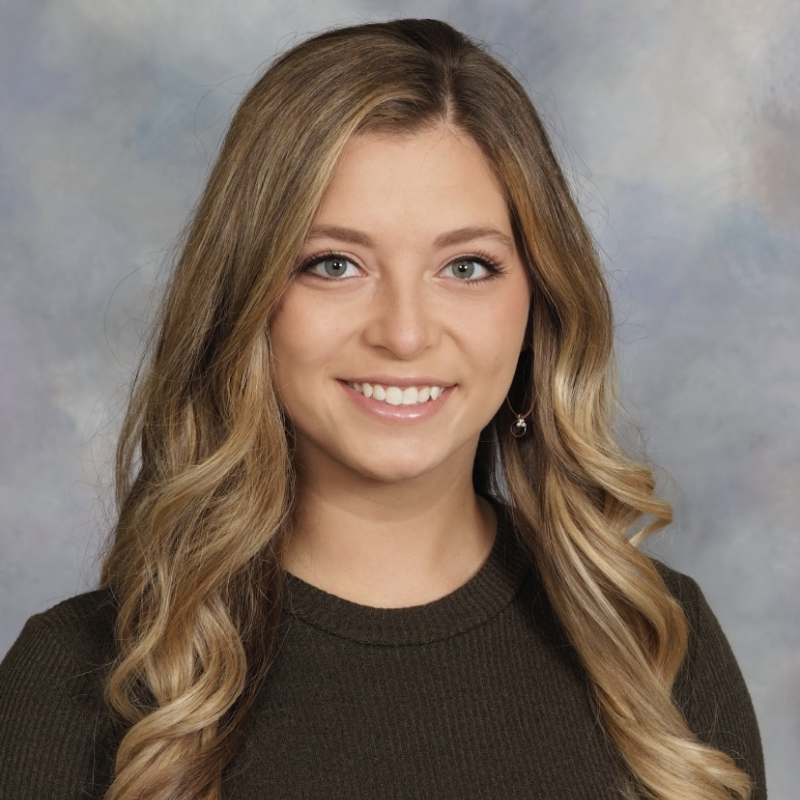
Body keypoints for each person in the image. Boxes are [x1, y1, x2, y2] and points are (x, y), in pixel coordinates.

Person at [0, 18, 765, 800]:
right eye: (335, 264)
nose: (403, 333)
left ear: (539, 305)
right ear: (249, 302)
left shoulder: (658, 646)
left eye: (466, 266)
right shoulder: (78, 679)